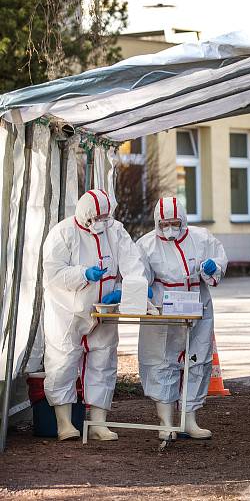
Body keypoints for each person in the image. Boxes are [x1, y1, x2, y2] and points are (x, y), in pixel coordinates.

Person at [42, 189, 147, 441]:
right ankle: (64, 423)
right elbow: (53, 273)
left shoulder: (115, 230)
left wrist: (125, 290)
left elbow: (134, 264)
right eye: (98, 217)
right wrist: (83, 274)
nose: (103, 221)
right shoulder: (63, 233)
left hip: (105, 311)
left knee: (104, 362)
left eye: (105, 216)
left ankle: (98, 423)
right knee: (63, 361)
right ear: (86, 215)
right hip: (67, 310)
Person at [137, 197, 227, 440]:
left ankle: (190, 420)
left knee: (198, 360)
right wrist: (140, 289)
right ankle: (166, 421)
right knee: (160, 361)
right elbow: (137, 273)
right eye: (165, 224)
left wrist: (212, 269)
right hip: (162, 308)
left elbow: (219, 260)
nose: (170, 228)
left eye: (175, 223)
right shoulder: (146, 245)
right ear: (157, 222)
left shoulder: (201, 238)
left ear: (184, 220)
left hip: (197, 303)